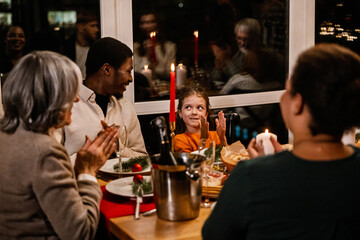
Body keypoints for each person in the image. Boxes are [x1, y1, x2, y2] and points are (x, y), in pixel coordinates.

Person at [202, 43, 360, 239]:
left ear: (298, 103)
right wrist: (279, 163)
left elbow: (213, 235)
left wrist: (266, 168)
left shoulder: (251, 176)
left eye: (287, 90)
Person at [0, 51, 118, 239]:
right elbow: (80, 233)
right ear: (51, 97)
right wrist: (88, 172)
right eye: (71, 92)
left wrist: (78, 170)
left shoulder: (6, 135)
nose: (77, 99)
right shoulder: (45, 152)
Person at [59, 37, 147, 165]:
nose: (130, 79)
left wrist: (118, 147)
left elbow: (143, 160)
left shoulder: (126, 108)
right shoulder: (66, 106)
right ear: (107, 69)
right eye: (128, 71)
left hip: (122, 185)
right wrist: (90, 155)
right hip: (81, 184)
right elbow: (51, 162)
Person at [209, 18, 262, 87]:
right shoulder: (239, 54)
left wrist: (227, 60)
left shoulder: (262, 56)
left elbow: (242, 81)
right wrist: (219, 65)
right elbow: (215, 80)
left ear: (256, 38)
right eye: (239, 38)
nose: (242, 43)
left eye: (246, 39)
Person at [174, 86, 227, 153]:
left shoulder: (215, 135)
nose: (194, 112)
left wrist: (222, 138)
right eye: (188, 107)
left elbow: (226, 157)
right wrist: (203, 140)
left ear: (206, 114)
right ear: (180, 113)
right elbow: (193, 162)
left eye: (199, 107)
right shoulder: (179, 139)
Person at [133, 11, 176, 80]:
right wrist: (147, 56)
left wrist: (154, 61)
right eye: (142, 23)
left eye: (151, 22)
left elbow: (168, 73)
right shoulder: (135, 47)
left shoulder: (169, 47)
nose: (146, 26)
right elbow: (138, 73)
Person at [63, 10, 100, 78]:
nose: (96, 29)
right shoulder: (67, 48)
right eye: (92, 26)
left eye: (96, 26)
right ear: (80, 27)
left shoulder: (97, 48)